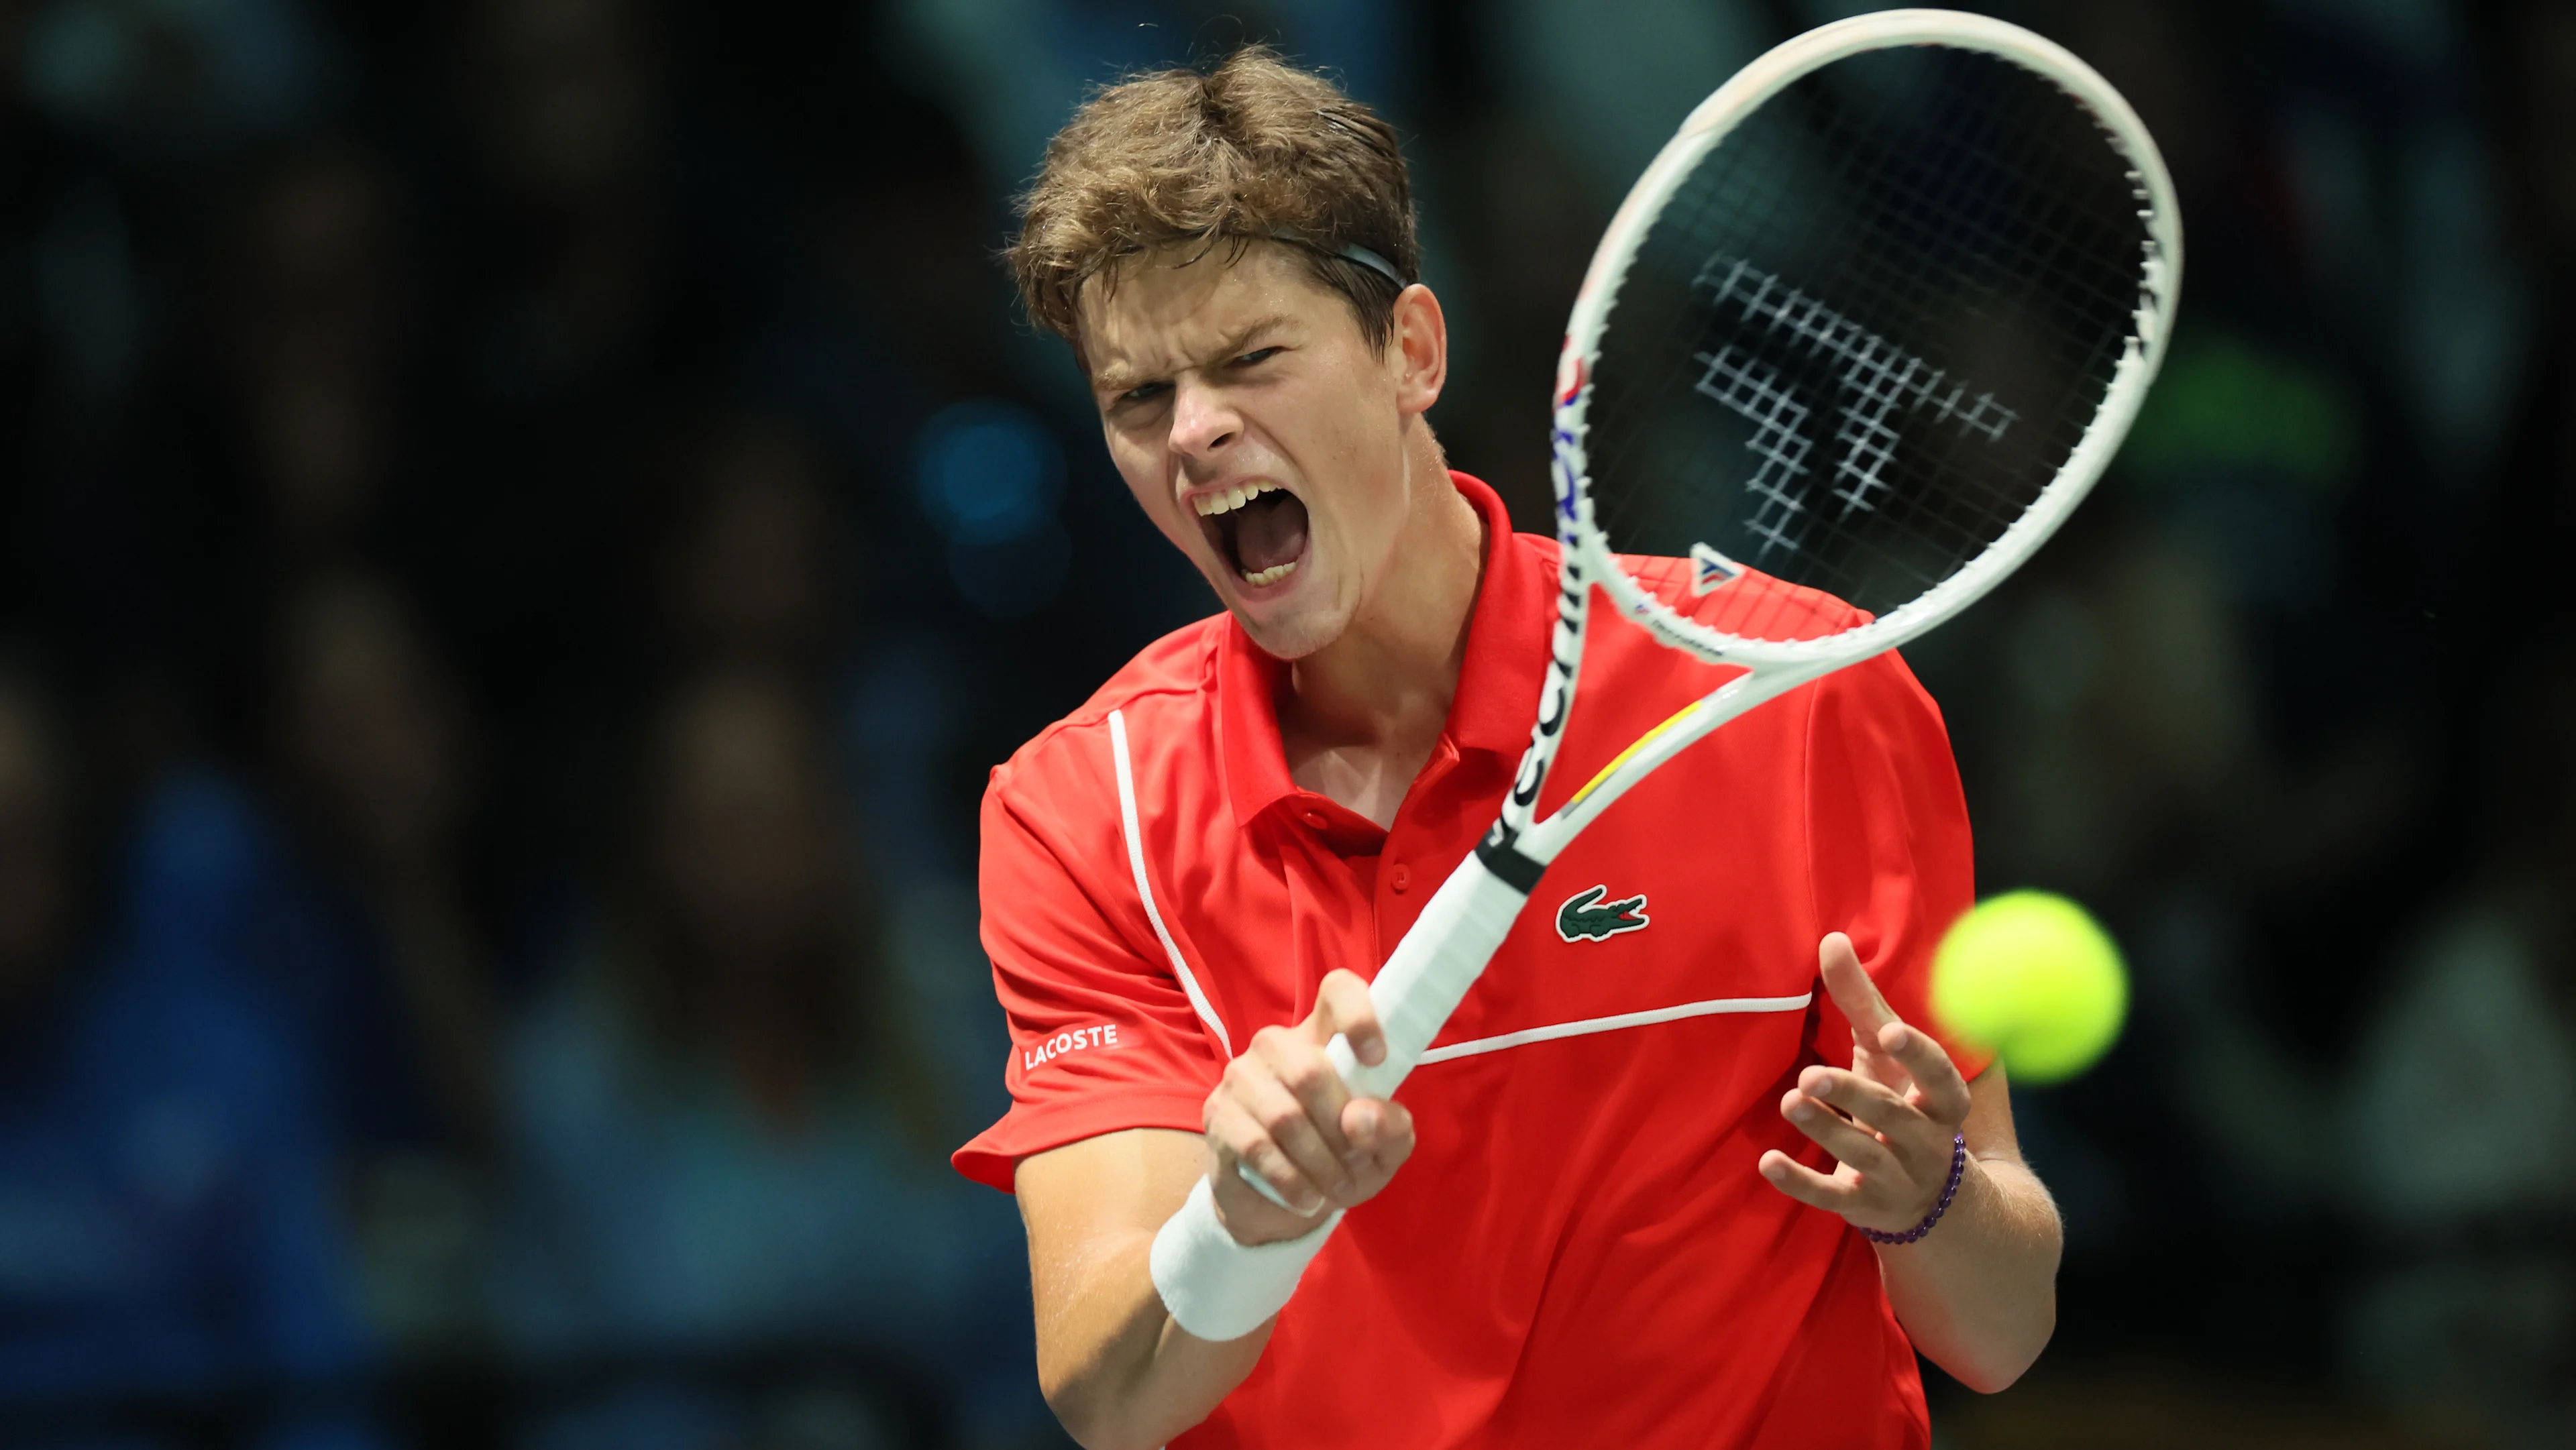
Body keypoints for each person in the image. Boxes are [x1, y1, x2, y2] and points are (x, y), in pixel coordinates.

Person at [949, 48, 2064, 1449]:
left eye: (1250, 359)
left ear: (1413, 348)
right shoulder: (1080, 811)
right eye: (1137, 399)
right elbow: (1110, 1399)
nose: (1196, 430)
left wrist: (1933, 1200)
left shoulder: (1786, 694)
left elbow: (2004, 1326)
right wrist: (1243, 1216)